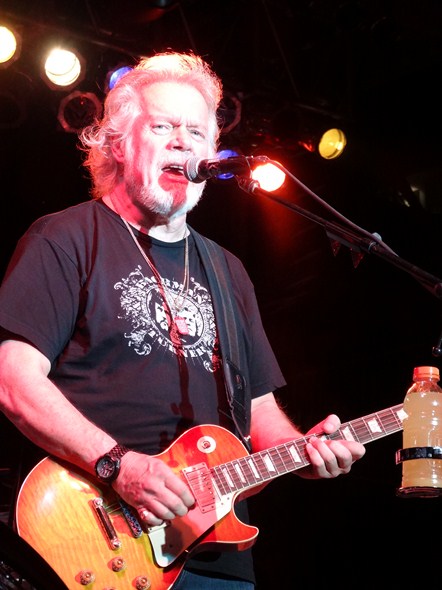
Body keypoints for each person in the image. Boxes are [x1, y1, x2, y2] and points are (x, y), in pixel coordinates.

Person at [0, 51, 366, 590]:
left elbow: (259, 414)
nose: (183, 142)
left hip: (217, 561)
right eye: (163, 127)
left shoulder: (227, 270)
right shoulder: (65, 238)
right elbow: (13, 382)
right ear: (118, 144)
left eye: (196, 132)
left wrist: (305, 452)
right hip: (91, 541)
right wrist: (120, 465)